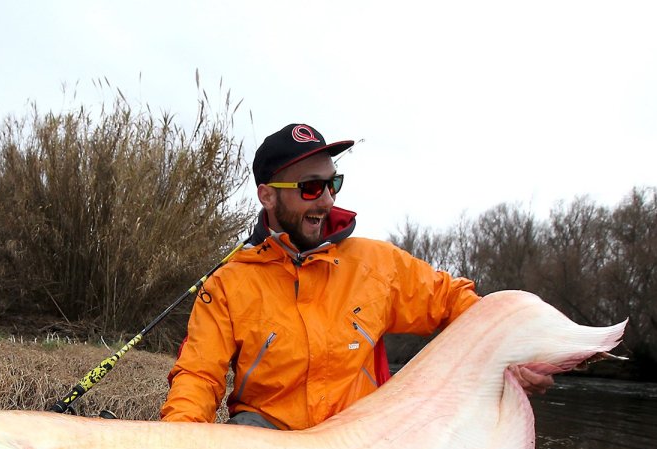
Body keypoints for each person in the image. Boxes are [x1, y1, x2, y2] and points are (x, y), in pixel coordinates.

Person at [161, 122, 485, 430]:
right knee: (241, 432)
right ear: (267, 195)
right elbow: (197, 377)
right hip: (268, 442)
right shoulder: (227, 285)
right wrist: (177, 442)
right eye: (311, 187)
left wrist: (516, 346)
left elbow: (454, 300)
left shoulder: (376, 263)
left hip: (363, 440)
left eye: (333, 184)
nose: (327, 199)